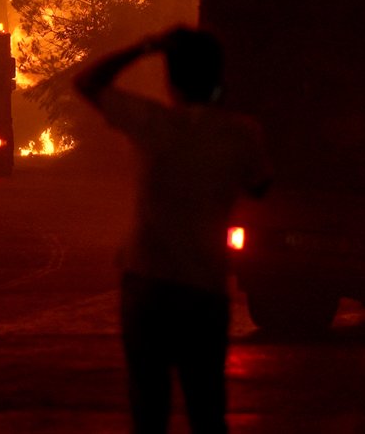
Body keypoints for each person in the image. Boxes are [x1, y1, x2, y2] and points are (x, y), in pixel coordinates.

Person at [73, 26, 271, 434]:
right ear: (218, 77)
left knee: (149, 406)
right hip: (204, 289)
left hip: (148, 284)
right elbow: (261, 186)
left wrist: (145, 47)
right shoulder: (241, 134)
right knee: (206, 406)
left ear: (171, 80)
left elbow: (87, 82)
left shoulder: (151, 122)